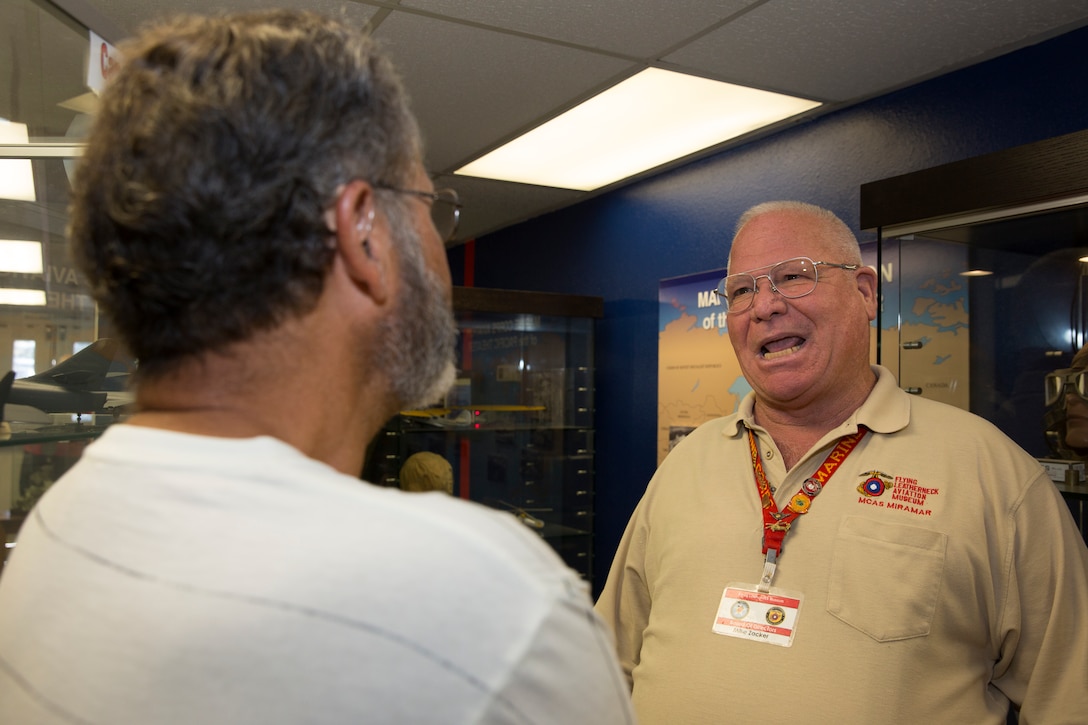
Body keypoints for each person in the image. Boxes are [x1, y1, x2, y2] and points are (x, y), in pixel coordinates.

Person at [0, 11, 634, 724]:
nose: (439, 245)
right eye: (430, 205)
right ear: (363, 232)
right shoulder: (492, 609)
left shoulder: (54, 526)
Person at [596, 200, 1088, 724]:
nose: (765, 306)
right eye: (742, 290)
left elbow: (1069, 693)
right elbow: (609, 661)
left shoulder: (991, 473)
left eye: (793, 277)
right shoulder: (685, 464)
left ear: (865, 292)